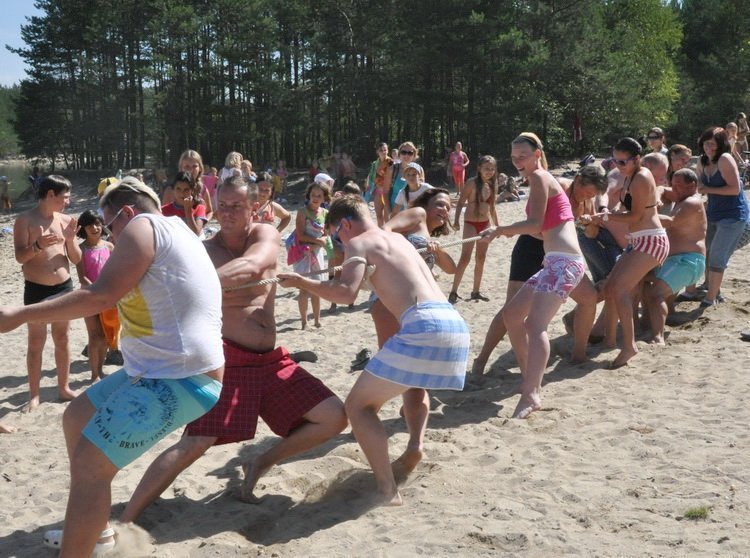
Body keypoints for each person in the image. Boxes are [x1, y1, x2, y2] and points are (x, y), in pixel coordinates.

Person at [0, 177, 224, 556]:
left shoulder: (142, 225)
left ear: (127, 212)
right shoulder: (176, 229)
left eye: (109, 227)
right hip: (157, 370)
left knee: (91, 466)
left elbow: (99, 295)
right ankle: (97, 533)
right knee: (77, 417)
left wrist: (21, 314)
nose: (110, 238)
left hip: (183, 378)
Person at [119, 178, 346, 521]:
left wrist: (196, 281)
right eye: (222, 206)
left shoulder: (264, 234)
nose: (227, 213)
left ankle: (261, 462)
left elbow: (252, 266)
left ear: (254, 208)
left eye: (236, 206)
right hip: (227, 360)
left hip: (269, 361)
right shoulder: (203, 251)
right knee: (196, 442)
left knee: (334, 416)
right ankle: (127, 517)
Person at [278, 195, 470, 506]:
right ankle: (415, 446)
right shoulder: (399, 240)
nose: (340, 243)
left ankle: (387, 489)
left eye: (337, 236)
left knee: (358, 407)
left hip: (423, 325)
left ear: (344, 224)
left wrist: (303, 282)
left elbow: (345, 294)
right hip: (454, 323)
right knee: (413, 383)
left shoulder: (359, 242)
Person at [480, 133, 587, 418]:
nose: (517, 162)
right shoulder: (539, 179)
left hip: (564, 262)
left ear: (537, 154)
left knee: (535, 325)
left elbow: (536, 224)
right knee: (512, 314)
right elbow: (543, 230)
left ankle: (531, 393)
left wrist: (501, 230)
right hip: (555, 261)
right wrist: (507, 230)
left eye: (523, 156)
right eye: (514, 157)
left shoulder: (540, 177)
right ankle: (530, 377)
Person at [589, 137, 669, 368]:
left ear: (637, 159)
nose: (618, 165)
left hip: (651, 240)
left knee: (619, 289)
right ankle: (612, 340)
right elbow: (623, 207)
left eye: (622, 161)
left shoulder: (641, 177)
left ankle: (628, 345)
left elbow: (635, 216)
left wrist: (605, 216)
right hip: (639, 239)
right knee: (611, 287)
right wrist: (603, 212)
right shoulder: (630, 175)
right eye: (614, 161)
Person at [13, 175, 81, 410]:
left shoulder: (66, 220)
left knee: (62, 338)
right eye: (65, 196)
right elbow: (20, 257)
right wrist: (38, 246)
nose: (68, 201)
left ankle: (64, 387)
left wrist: (70, 240)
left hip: (64, 287)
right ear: (50, 194)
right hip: (36, 288)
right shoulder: (25, 220)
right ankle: (34, 394)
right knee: (36, 342)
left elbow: (76, 258)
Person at [643, 168, 707, 344]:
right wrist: (657, 199)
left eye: (678, 185)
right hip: (675, 261)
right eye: (673, 184)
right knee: (641, 279)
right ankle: (666, 315)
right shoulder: (681, 196)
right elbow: (661, 189)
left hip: (688, 261)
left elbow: (672, 222)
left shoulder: (692, 202)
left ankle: (658, 337)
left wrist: (644, 212)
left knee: (656, 294)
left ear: (692, 185)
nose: (674, 188)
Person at [695, 126, 749, 307]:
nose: (708, 147)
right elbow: (699, 185)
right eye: (706, 143)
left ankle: (710, 299)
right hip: (713, 213)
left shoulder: (725, 159)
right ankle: (710, 287)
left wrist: (707, 189)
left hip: (733, 215)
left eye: (713, 144)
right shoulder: (702, 161)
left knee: (718, 255)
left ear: (721, 144)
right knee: (706, 251)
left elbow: (735, 189)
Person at [449, 155, 500, 303]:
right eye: (486, 168)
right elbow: (460, 202)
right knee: (465, 257)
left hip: (485, 224)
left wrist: (497, 226)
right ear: (479, 168)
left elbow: (492, 207)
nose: (489, 171)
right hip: (470, 223)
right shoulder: (471, 183)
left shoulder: (492, 184)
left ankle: (476, 291)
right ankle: (454, 291)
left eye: (492, 169)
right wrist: (456, 221)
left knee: (481, 258)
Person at [75, 210, 118, 382]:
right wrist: (97, 291)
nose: (94, 228)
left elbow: (115, 272)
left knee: (106, 336)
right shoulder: (80, 249)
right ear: (83, 229)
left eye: (97, 224)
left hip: (107, 297)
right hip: (89, 297)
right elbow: (82, 277)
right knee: (94, 336)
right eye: (89, 225)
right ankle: (94, 374)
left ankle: (100, 371)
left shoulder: (109, 247)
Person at [292, 181, 332, 329]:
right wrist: (317, 242)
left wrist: (319, 243)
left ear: (324, 197)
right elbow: (300, 235)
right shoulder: (302, 212)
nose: (315, 198)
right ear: (308, 195)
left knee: (317, 287)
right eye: (313, 194)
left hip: (317, 253)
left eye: (319, 195)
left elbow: (327, 234)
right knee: (304, 288)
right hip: (303, 254)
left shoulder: (326, 213)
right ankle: (304, 322)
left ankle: (317, 320)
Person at [161, 171, 208, 236]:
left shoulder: (199, 208)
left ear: (192, 190)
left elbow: (196, 233)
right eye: (178, 189)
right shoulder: (164, 210)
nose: (182, 193)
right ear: (173, 189)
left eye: (186, 189)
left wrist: (188, 211)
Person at [384, 141, 419, 217]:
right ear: (399, 154)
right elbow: (385, 193)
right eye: (403, 152)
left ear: (414, 155)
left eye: (410, 153)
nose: (406, 155)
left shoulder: (419, 170)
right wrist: (389, 213)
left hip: (412, 211)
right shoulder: (392, 169)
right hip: (395, 210)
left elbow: (422, 192)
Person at [368, 142, 394, 226]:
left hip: (388, 192)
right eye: (381, 150)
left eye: (385, 150)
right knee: (379, 216)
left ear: (388, 150)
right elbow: (371, 177)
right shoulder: (374, 164)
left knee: (387, 218)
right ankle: (380, 232)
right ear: (377, 152)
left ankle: (388, 233)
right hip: (378, 191)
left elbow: (393, 178)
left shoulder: (391, 162)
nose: (383, 152)